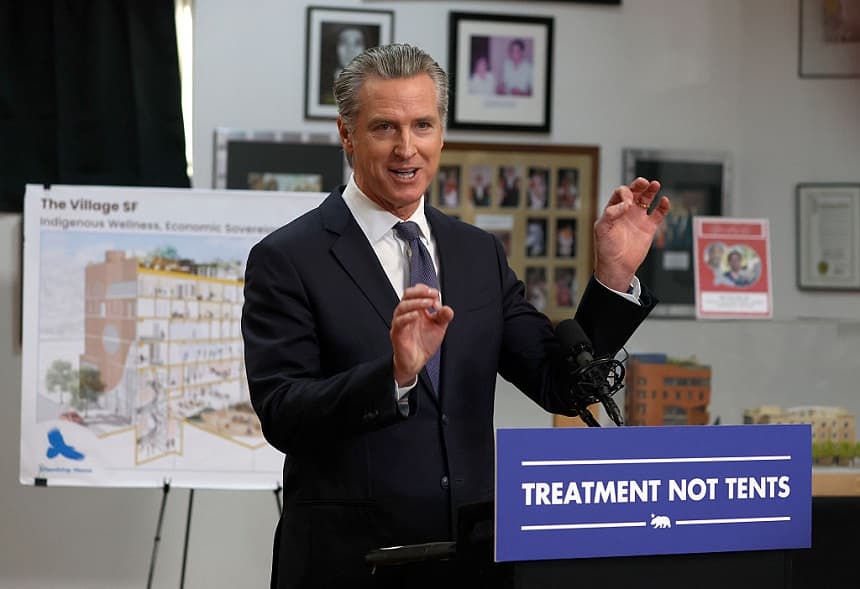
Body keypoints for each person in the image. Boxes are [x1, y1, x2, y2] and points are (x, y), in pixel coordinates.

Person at [241, 43, 670, 588]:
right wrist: (394, 375)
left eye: (422, 125)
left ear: (441, 133)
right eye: (384, 127)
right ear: (347, 134)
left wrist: (611, 277)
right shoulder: (287, 258)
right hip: (349, 564)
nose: (407, 148)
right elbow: (283, 414)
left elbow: (560, 384)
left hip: (470, 562)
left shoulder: (477, 253)